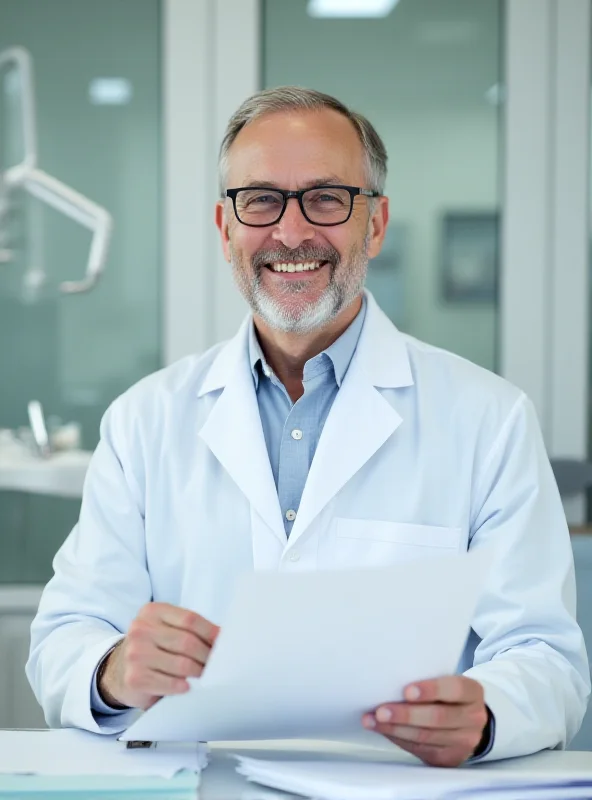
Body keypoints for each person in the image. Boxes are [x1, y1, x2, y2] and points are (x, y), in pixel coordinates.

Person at [27, 86, 589, 767]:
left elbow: (547, 658)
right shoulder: (145, 420)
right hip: (206, 784)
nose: (291, 233)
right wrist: (111, 668)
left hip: (404, 787)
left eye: (325, 198)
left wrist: (489, 713)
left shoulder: (489, 419)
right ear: (225, 227)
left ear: (375, 225)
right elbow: (64, 637)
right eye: (261, 200)